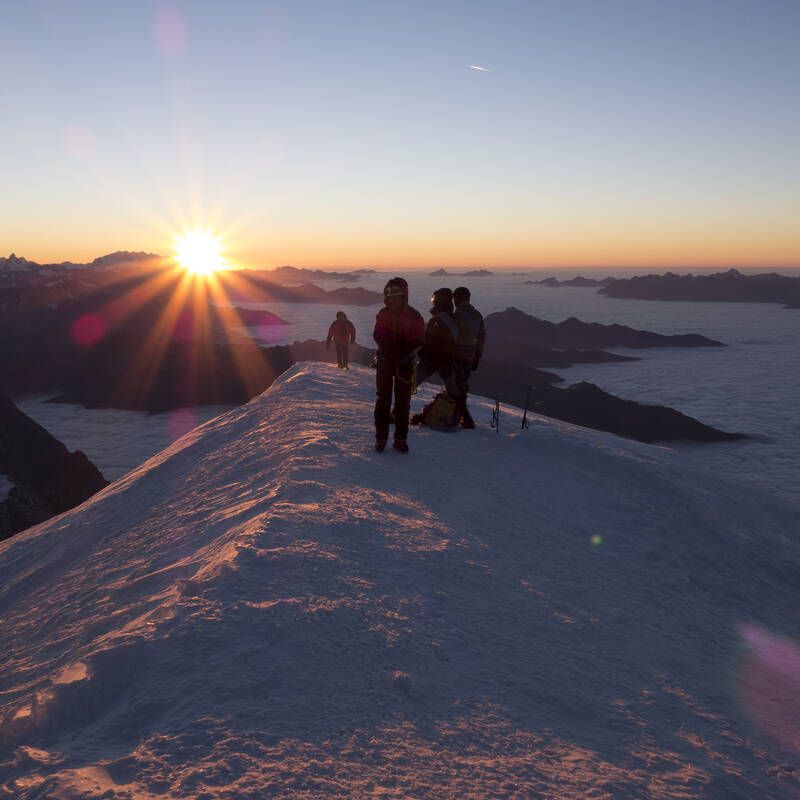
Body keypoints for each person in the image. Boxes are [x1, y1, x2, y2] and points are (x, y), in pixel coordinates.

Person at [373, 277, 425, 453]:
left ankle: (400, 439)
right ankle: (381, 439)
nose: (393, 299)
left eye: (396, 295)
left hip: (402, 363)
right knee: (383, 401)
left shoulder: (414, 316)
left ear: (404, 296)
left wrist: (403, 349)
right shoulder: (385, 314)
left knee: (402, 403)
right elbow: (378, 335)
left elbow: (419, 340)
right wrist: (390, 347)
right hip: (388, 362)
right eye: (391, 296)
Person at [415, 287, 464, 409]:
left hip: (431, 361)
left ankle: (398, 412)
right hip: (447, 361)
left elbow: (430, 342)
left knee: (409, 384)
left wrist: (422, 352)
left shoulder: (437, 320)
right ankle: (461, 415)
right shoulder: (454, 320)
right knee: (453, 390)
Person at [452, 286, 486, 428]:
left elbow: (452, 336)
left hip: (457, 355)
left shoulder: (456, 316)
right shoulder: (477, 315)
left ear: (457, 299)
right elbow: (481, 337)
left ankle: (464, 418)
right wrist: (477, 356)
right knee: (462, 384)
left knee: (456, 386)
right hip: (470, 355)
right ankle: (459, 416)